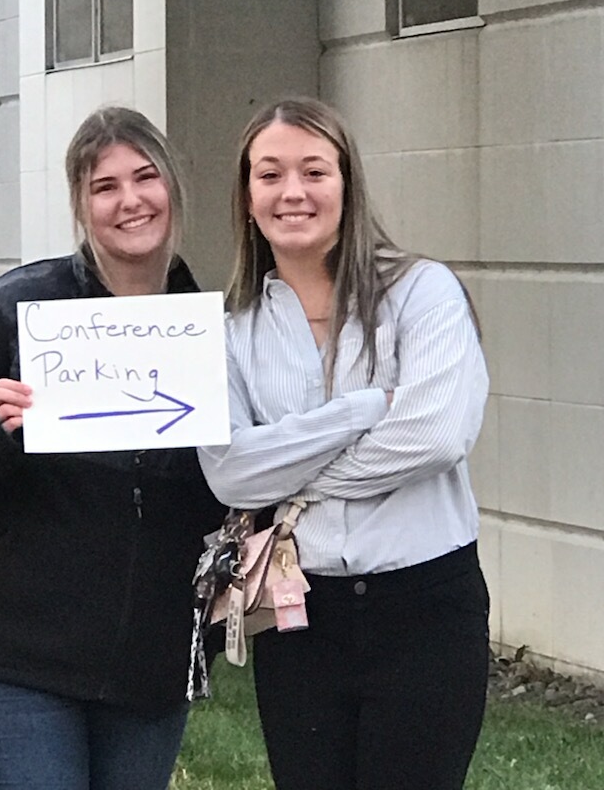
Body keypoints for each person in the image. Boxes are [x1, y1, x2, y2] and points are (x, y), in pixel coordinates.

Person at [0, 106, 225, 790]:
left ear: (173, 187)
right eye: (105, 186)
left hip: (149, 665)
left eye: (145, 177)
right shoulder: (10, 312)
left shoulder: (214, 333)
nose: (130, 200)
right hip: (17, 661)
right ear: (80, 206)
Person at [198, 97, 490, 790]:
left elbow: (435, 437)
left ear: (347, 186)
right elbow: (232, 477)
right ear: (246, 196)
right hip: (302, 617)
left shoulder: (423, 294)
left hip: (427, 608)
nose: (291, 192)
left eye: (313, 171)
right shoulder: (227, 329)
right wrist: (363, 410)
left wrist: (292, 480)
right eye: (269, 174)